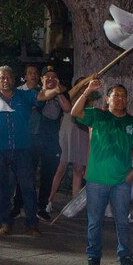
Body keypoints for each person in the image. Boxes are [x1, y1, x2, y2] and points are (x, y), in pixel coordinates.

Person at [71, 80, 133, 265]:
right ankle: (93, 257)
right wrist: (87, 90)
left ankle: (125, 258)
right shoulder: (97, 116)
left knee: (122, 220)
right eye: (116, 95)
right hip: (96, 180)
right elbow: (74, 113)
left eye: (123, 96)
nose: (120, 99)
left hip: (121, 182)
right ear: (107, 99)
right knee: (95, 221)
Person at [0, 65, 60, 236]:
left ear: (14, 80)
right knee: (2, 188)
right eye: (2, 78)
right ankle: (5, 222)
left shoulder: (24, 95)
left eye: (8, 77)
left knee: (28, 187)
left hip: (23, 150)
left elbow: (42, 96)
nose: (5, 80)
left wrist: (54, 90)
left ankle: (31, 224)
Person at [35, 65, 71, 221]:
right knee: (27, 174)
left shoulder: (61, 94)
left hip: (51, 141)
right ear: (42, 79)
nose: (50, 79)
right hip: (34, 140)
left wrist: (58, 92)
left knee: (48, 175)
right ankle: (20, 205)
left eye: (53, 77)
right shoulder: (35, 93)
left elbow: (68, 108)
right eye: (47, 76)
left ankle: (42, 206)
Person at [47, 77, 90, 208]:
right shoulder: (69, 98)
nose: (83, 88)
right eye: (81, 86)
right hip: (66, 136)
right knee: (60, 168)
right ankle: (49, 200)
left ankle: (74, 202)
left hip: (81, 136)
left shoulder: (89, 104)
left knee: (78, 169)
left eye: (85, 86)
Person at [10, 65, 42, 219]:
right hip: (20, 137)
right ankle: (17, 205)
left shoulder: (42, 93)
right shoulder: (19, 92)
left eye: (35, 72)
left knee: (30, 174)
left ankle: (30, 208)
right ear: (25, 76)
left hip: (35, 137)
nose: (33, 75)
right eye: (30, 73)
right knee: (18, 174)